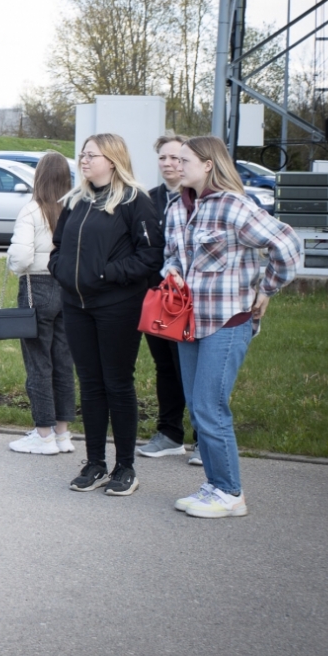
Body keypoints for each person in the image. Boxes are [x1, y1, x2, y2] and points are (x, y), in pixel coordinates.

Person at [165, 135, 301, 519]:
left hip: (227, 322)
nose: (175, 164)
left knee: (210, 406)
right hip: (187, 321)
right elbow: (169, 255)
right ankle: (214, 484)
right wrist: (171, 272)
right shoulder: (177, 207)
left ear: (208, 164)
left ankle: (230, 492)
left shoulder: (233, 206)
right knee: (197, 407)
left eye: (184, 159)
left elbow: (287, 246)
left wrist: (267, 288)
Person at [49, 133, 163, 496]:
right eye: (81, 154)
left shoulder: (135, 201)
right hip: (76, 305)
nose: (83, 160)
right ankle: (95, 462)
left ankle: (125, 466)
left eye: (91, 155)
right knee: (91, 384)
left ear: (112, 160)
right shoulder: (76, 200)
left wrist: (105, 275)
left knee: (117, 383)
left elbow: (150, 257)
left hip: (117, 306)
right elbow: (57, 246)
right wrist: (62, 272)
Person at [6, 150, 76, 455]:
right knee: (63, 361)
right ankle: (63, 432)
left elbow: (21, 257)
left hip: (37, 285)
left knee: (38, 362)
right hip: (69, 289)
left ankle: (43, 433)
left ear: (39, 176)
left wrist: (13, 266)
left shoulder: (32, 210)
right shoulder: (74, 207)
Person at [138, 132, 193, 461]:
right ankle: (170, 433)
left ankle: (204, 439)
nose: (169, 163)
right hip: (158, 298)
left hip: (190, 299)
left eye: (176, 158)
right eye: (163, 158)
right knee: (165, 367)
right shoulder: (149, 199)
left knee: (190, 366)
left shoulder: (198, 198)